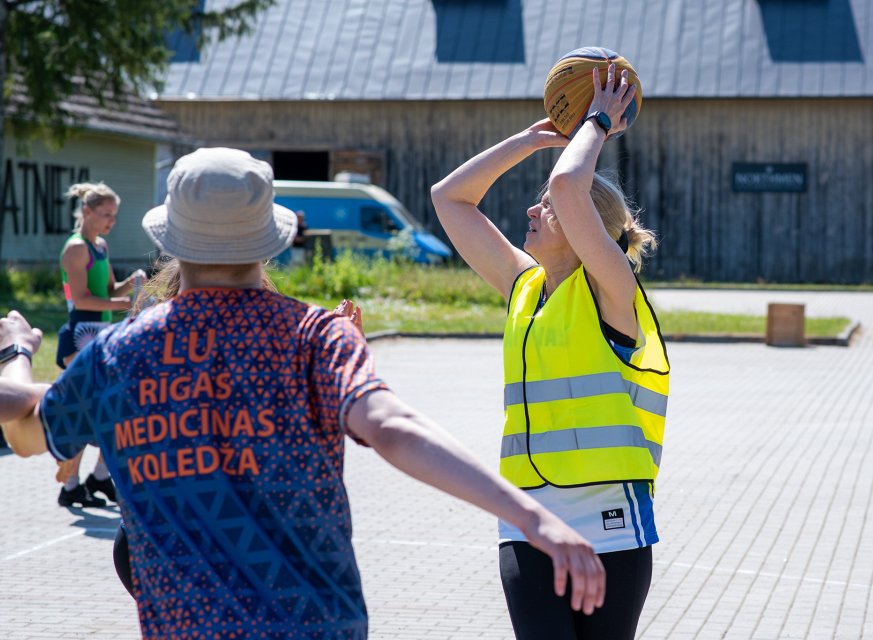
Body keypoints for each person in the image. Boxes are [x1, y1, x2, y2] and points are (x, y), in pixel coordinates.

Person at [0, 147, 605, 639]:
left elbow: (27, 426)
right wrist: (531, 517)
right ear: (269, 241)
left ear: (175, 243)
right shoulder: (316, 337)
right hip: (320, 625)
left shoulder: (120, 353)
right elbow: (392, 427)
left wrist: (17, 350)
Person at [431, 65, 670, 640]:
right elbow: (450, 199)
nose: (534, 211)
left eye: (547, 208)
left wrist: (598, 123)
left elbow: (567, 186)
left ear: (588, 227)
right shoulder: (524, 287)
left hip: (612, 521)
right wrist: (528, 140)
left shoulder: (613, 290)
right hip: (529, 516)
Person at [55, 182, 145, 508]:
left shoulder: (101, 246)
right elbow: (82, 299)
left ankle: (97, 477)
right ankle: (72, 484)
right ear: (87, 212)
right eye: (105, 214)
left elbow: (108, 291)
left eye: (114, 215)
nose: (111, 221)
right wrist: (127, 303)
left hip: (102, 334)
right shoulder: (76, 248)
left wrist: (133, 283)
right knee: (90, 413)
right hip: (81, 335)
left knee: (112, 410)